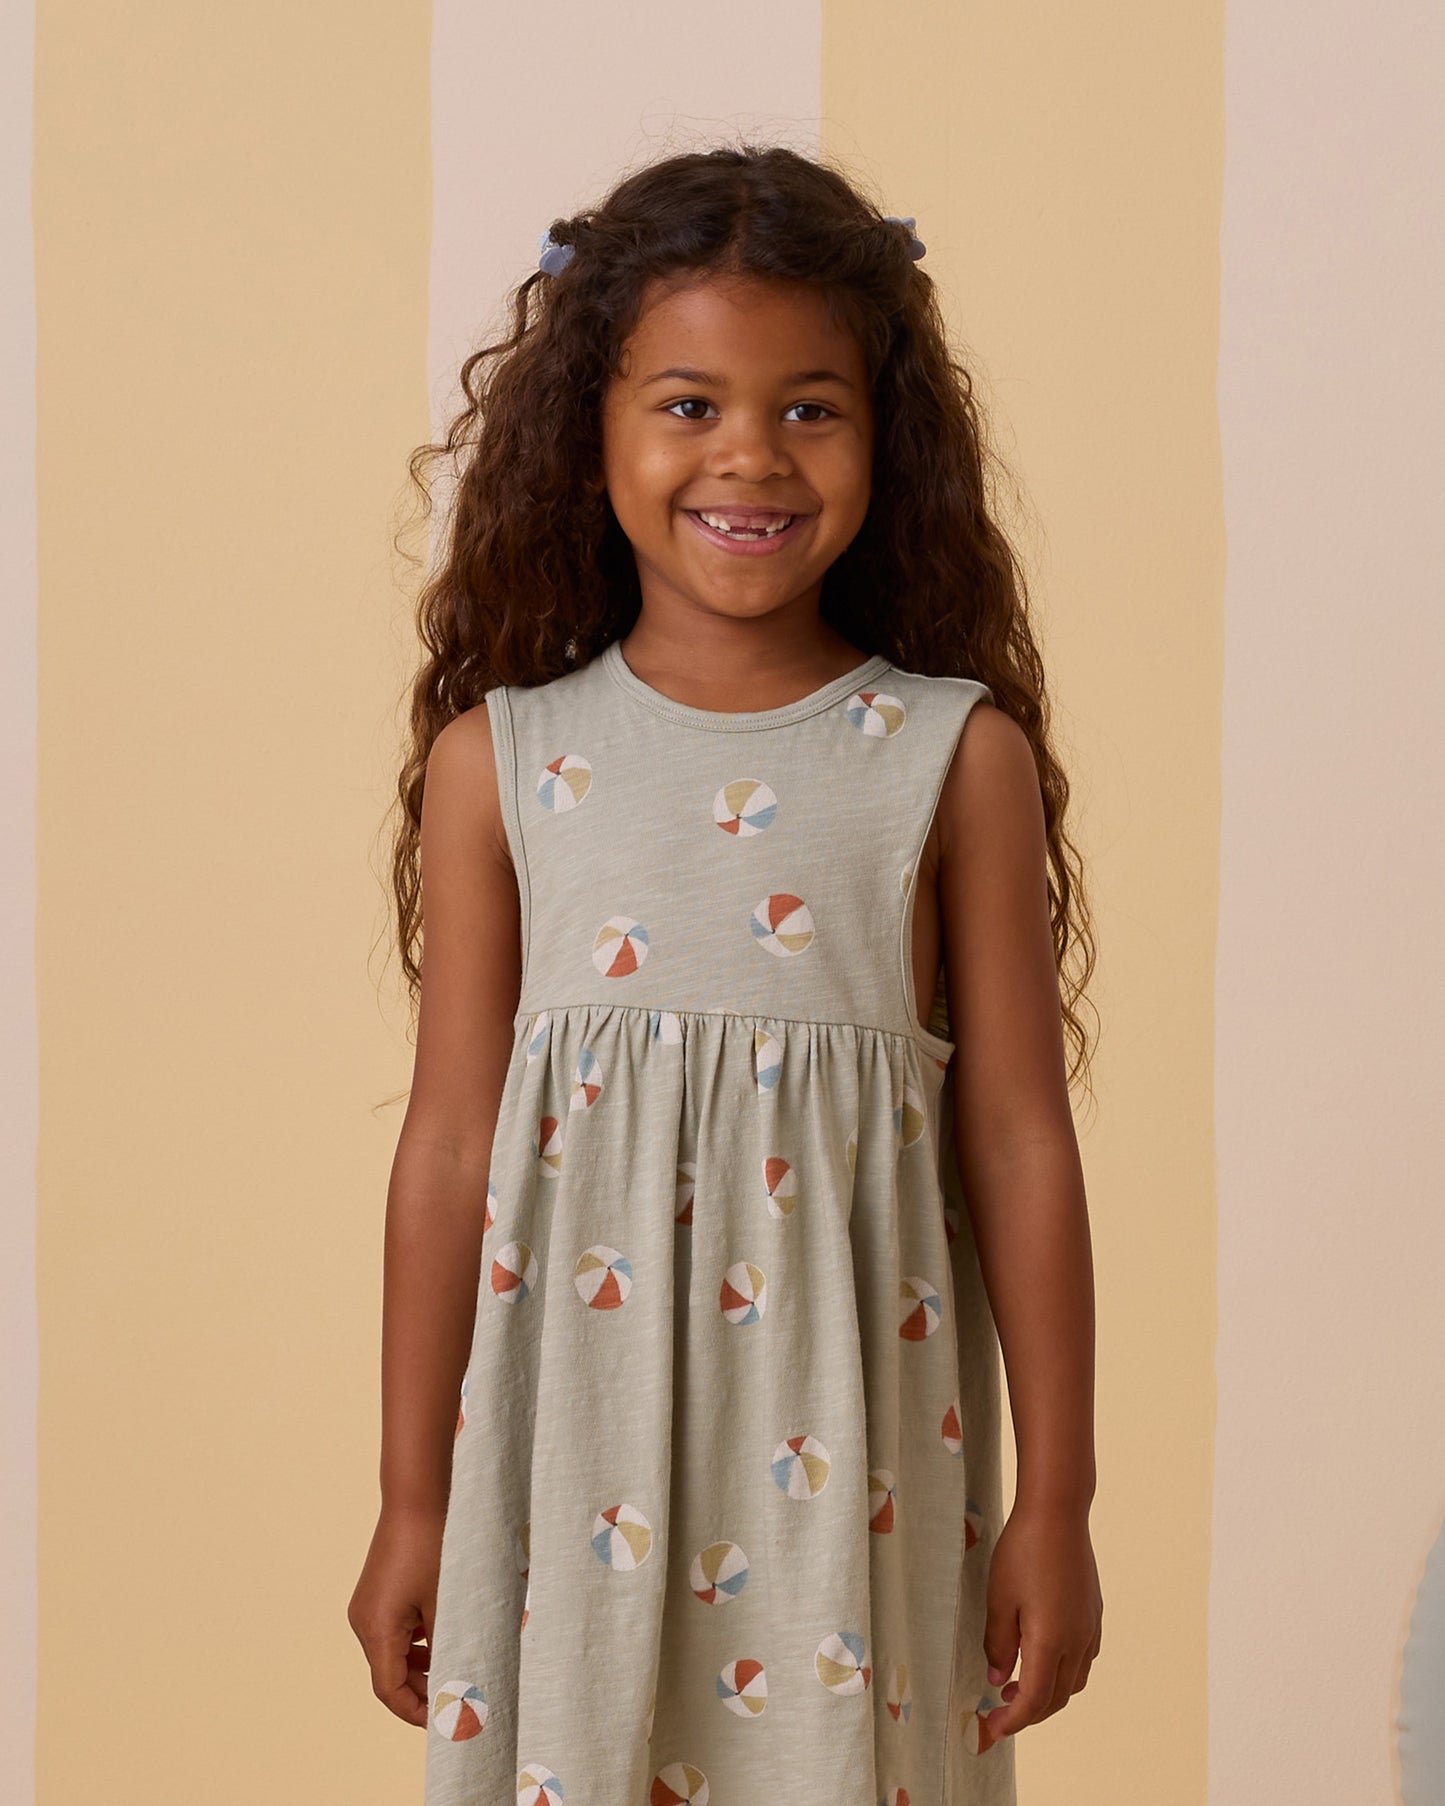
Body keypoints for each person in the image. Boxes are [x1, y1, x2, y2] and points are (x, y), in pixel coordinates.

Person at [348, 140, 1103, 1806]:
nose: (749, 453)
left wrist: (1056, 1501)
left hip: (855, 1460)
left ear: (886, 438)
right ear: (590, 432)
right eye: (688, 404)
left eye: (809, 406)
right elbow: (451, 1147)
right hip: (571, 1453)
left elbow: (1018, 1141)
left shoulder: (948, 757)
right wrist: (411, 1496)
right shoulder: (503, 764)